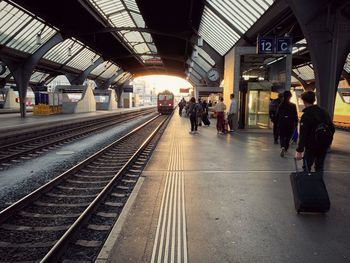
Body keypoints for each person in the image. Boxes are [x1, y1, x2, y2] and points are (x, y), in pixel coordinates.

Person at [295, 90, 335, 172]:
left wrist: (299, 150)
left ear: (304, 101)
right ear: (314, 100)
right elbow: (332, 128)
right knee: (319, 167)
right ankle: (318, 183)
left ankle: (307, 184)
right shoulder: (324, 112)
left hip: (311, 146)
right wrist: (326, 139)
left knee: (307, 166)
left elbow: (303, 135)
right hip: (323, 145)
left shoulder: (306, 115)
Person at [277, 90, 298, 157]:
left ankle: (282, 147)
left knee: (282, 136)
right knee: (288, 137)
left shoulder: (280, 105)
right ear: (290, 97)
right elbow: (295, 115)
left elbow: (277, 115)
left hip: (282, 122)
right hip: (290, 123)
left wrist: (278, 122)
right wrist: (296, 122)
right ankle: (286, 149)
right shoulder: (293, 105)